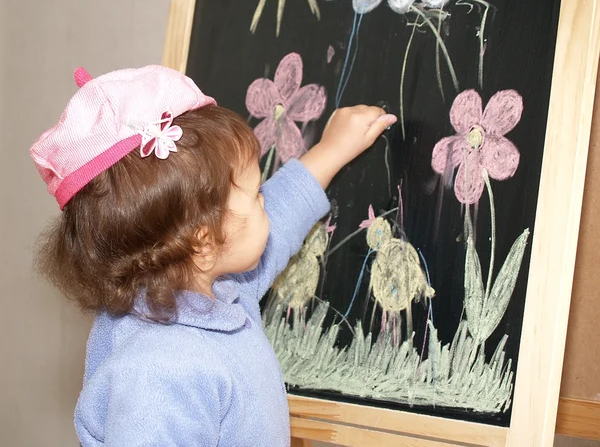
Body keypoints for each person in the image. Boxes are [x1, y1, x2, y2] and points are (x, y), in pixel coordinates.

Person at [31, 65, 397, 446]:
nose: (265, 205)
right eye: (257, 196)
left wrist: (331, 151)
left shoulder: (210, 289)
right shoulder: (159, 370)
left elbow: (281, 217)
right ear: (204, 243)